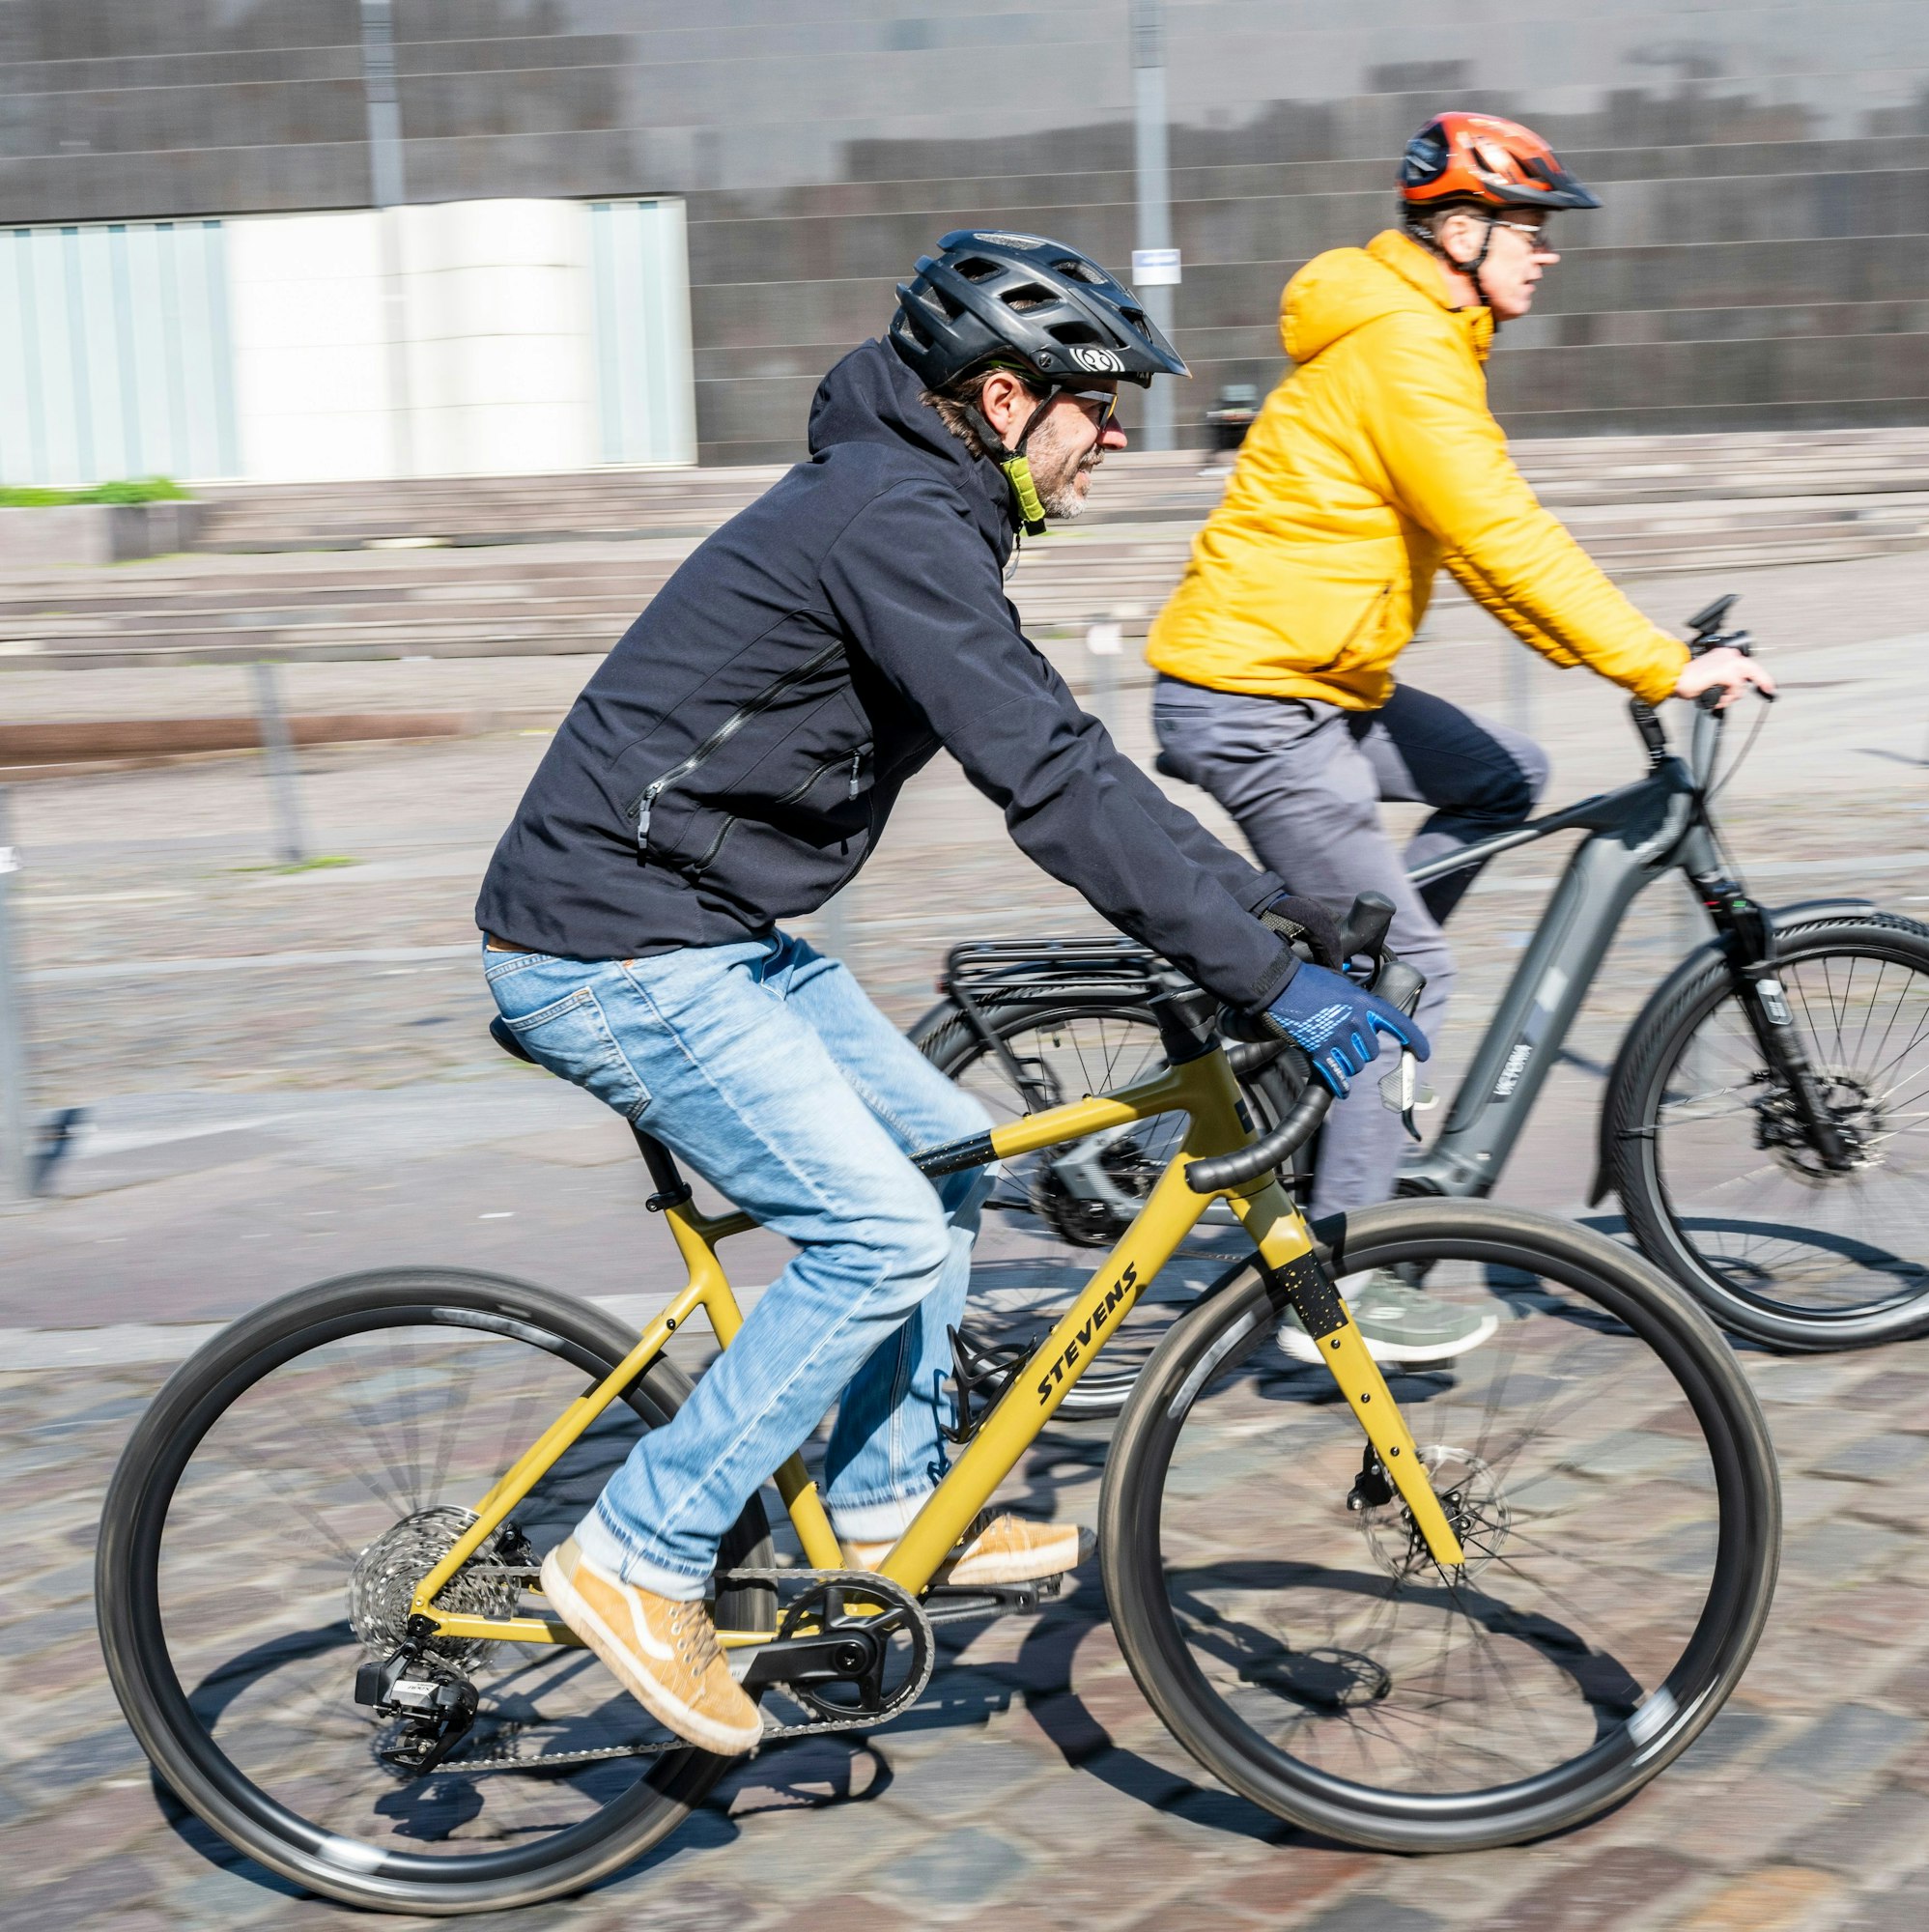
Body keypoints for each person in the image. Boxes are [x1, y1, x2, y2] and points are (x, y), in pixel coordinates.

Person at [474, 231, 1424, 1756]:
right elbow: (1043, 780)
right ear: (999, 397)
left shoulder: (923, 507)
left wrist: (1276, 914)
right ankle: (633, 1560)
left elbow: (1063, 743)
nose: (1117, 435)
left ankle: (879, 1507)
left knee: (947, 1162)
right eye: (1097, 404)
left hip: (711, 929)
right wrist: (1263, 973)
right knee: (880, 1232)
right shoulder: (894, 520)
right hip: (615, 945)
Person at [1145, 112, 1774, 1363]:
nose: (1548, 256)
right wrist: (1655, 660)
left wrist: (1617, 656)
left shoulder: (1422, 339)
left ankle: (1322, 956)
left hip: (1313, 683)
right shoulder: (1402, 348)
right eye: (1531, 232)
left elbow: (1481, 548)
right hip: (1261, 702)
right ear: (1463, 229)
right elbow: (1504, 533)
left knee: (1504, 777)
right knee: (1409, 978)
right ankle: (1345, 1283)